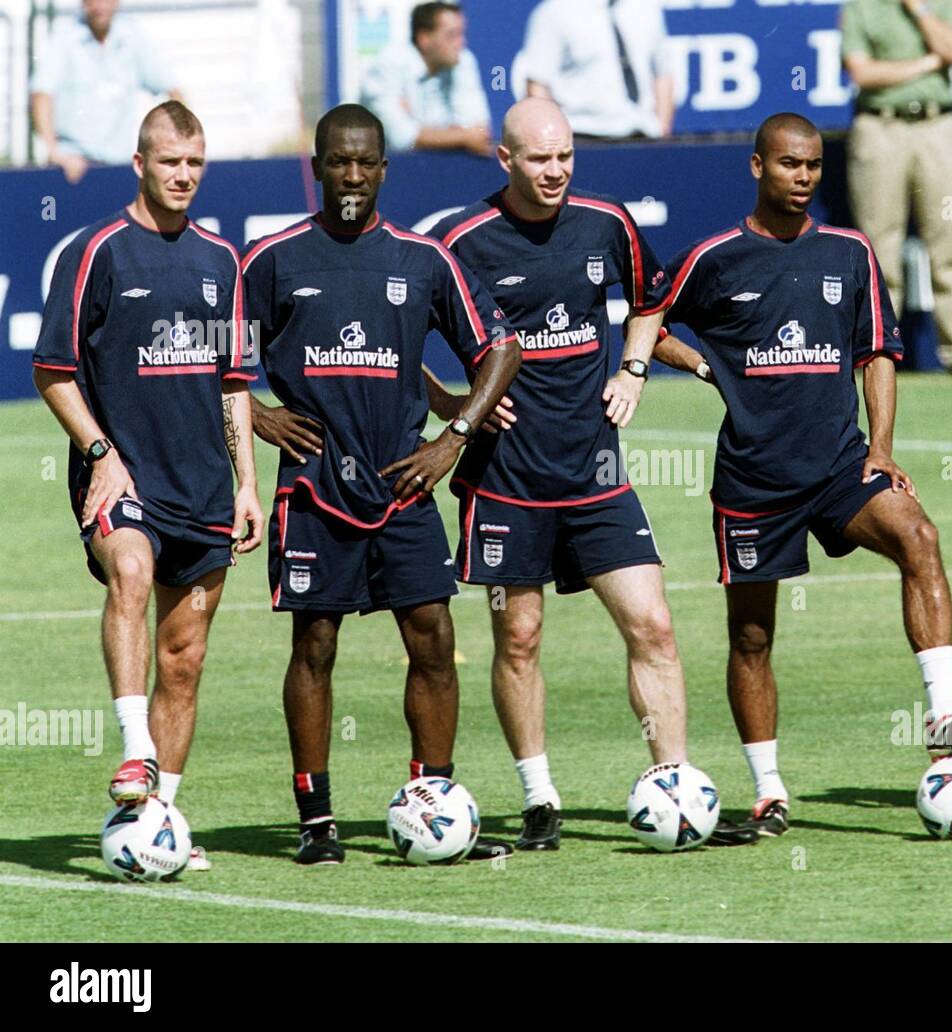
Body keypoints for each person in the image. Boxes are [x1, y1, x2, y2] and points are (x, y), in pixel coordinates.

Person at [650, 112, 952, 837]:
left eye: (812, 165)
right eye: (788, 165)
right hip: (753, 477)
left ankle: (941, 715)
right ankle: (770, 791)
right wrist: (699, 362)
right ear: (757, 167)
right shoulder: (715, 257)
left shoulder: (850, 253)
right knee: (752, 637)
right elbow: (646, 317)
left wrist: (882, 445)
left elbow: (877, 352)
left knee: (920, 537)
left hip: (842, 463)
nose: (804, 177)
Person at [423, 97, 752, 850]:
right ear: (504, 161)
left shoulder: (606, 223)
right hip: (506, 477)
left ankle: (674, 785)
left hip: (596, 470)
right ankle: (540, 801)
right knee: (521, 637)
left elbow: (651, 297)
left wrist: (635, 368)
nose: (556, 170)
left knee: (654, 626)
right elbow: (398, 323)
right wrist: (447, 401)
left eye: (565, 155)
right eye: (540, 159)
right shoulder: (460, 240)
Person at [241, 104, 522, 864]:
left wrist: (452, 439)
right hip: (314, 488)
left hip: (403, 484)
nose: (353, 177)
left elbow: (501, 348)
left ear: (384, 169)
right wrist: (261, 419)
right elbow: (213, 357)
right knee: (316, 643)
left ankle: (433, 799)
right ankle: (317, 821)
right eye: (339, 162)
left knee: (432, 637)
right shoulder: (272, 259)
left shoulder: (422, 259)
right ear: (318, 165)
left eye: (366, 163)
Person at [31, 101, 263, 869]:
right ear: (140, 164)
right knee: (129, 572)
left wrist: (247, 486)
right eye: (170, 162)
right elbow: (52, 370)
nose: (184, 175)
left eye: (195, 162)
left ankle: (159, 818)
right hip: (120, 476)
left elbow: (236, 384)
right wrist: (100, 452)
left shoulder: (223, 260)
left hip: (202, 485)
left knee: (185, 657)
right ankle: (136, 752)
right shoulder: (94, 250)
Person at [840, 0, 952, 370]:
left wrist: (920, 10)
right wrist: (929, 63)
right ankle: (877, 350)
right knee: (880, 247)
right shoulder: (862, 7)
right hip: (880, 127)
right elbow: (862, 73)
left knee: (947, 245)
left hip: (937, 125)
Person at [30, 0, 182, 183]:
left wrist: (182, 145)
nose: (100, 6)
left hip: (121, 168)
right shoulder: (64, 37)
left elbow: (172, 90)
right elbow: (41, 95)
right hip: (74, 168)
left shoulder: (131, 36)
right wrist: (53, 151)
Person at [519, 0, 674, 140]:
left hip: (643, 134)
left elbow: (662, 73)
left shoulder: (646, 7)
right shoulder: (554, 12)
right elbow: (537, 84)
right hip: (582, 135)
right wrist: (553, 139)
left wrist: (662, 129)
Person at [361, 1, 493, 157]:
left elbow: (480, 130)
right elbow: (401, 138)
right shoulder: (388, 64)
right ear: (424, 39)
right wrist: (462, 136)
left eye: (462, 33)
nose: (461, 43)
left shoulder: (463, 60)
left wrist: (425, 133)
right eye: (452, 35)